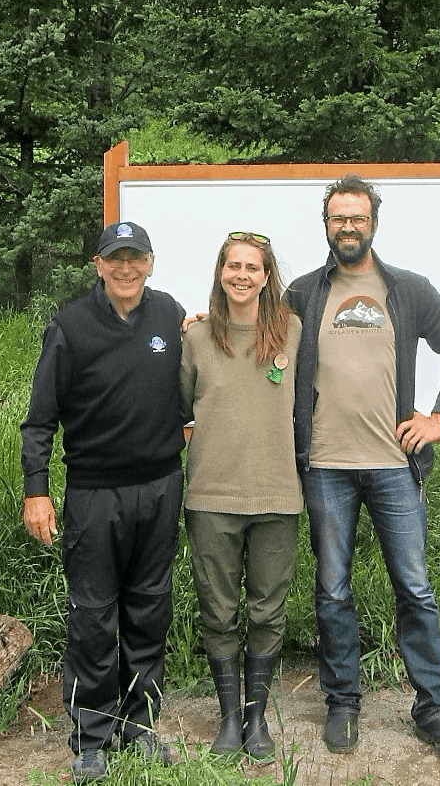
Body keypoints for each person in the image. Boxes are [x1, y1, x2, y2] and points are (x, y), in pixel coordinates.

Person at [286, 174, 440, 756]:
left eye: (358, 218)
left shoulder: (408, 290)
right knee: (332, 589)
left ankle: (433, 708)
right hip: (325, 466)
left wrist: (439, 417)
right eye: (338, 218)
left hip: (396, 465)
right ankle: (343, 702)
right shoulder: (302, 293)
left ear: (373, 223)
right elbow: (260, 337)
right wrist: (201, 324)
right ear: (326, 225)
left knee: (415, 588)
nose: (348, 227)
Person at [20, 221, 185, 783]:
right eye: (116, 258)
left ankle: (139, 726)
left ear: (150, 263)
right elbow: (39, 420)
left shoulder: (169, 315)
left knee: (149, 609)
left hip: (160, 487)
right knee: (93, 617)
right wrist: (36, 490)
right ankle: (91, 736)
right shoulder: (70, 326)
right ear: (98, 264)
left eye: (136, 257)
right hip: (93, 495)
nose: (126, 268)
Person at [179, 232, 303, 762]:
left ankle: (257, 719)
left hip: (277, 495)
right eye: (234, 266)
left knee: (267, 612)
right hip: (211, 495)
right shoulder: (196, 336)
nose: (242, 275)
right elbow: (179, 404)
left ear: (267, 276)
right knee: (219, 611)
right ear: (220, 272)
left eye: (253, 267)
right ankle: (229, 718)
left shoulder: (292, 331)